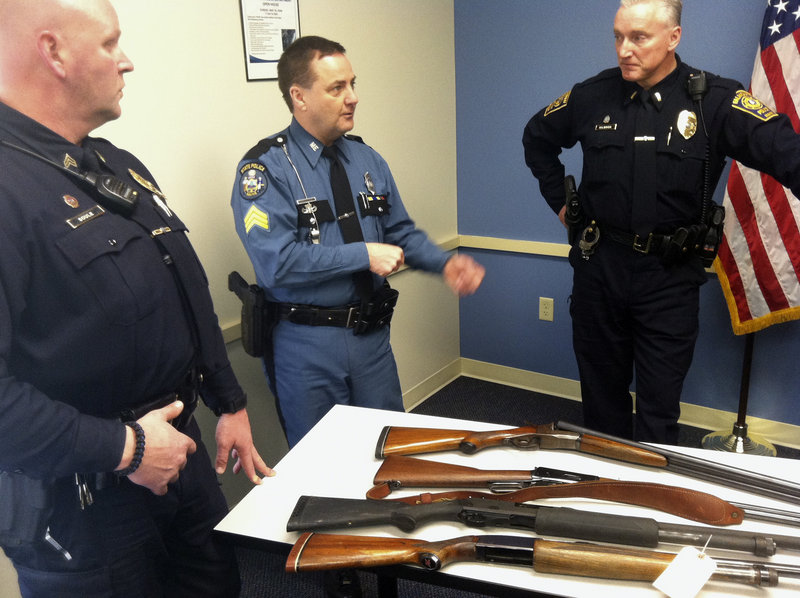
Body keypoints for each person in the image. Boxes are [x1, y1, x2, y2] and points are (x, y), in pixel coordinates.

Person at [0, 1, 273, 596]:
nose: (127, 62)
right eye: (109, 43)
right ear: (54, 52)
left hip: (181, 457)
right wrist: (125, 448)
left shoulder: (113, 165)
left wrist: (229, 402)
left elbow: (186, 290)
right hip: (85, 501)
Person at [522, 0, 800, 444]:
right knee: (601, 407)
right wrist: (562, 201)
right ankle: (602, 496)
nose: (624, 50)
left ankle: (652, 496)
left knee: (658, 413)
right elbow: (536, 139)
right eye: (618, 36)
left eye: (639, 37)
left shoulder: (714, 101)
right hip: (600, 271)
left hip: (669, 281)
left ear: (673, 38)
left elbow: (787, 152)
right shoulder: (591, 95)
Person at [231, 36, 485, 449]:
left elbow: (399, 231)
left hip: (371, 341)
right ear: (300, 97)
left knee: (390, 449)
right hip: (306, 346)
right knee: (322, 460)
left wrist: (443, 263)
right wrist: (363, 255)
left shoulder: (367, 160)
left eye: (352, 84)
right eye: (337, 88)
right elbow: (277, 262)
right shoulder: (265, 171)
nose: (353, 98)